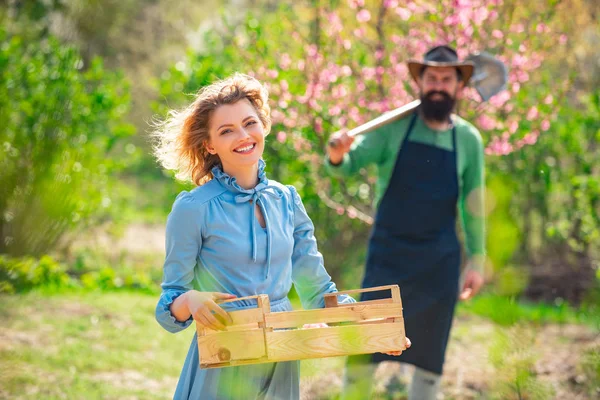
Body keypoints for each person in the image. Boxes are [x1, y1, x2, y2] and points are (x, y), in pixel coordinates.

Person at [152, 73, 409, 400]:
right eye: (226, 130)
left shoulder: (287, 200)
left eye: (250, 123)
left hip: (282, 354)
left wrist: (372, 328)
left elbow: (318, 291)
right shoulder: (193, 208)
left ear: (264, 126)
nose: (243, 136)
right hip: (225, 354)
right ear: (209, 144)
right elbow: (168, 303)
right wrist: (190, 301)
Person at [326, 45, 486, 400]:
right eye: (432, 78)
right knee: (365, 345)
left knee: (430, 356)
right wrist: (337, 153)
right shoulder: (393, 130)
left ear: (459, 87)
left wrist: (477, 258)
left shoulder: (468, 140)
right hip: (389, 256)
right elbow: (348, 162)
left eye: (447, 79)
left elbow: (473, 204)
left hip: (439, 263)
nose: (439, 86)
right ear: (420, 83)